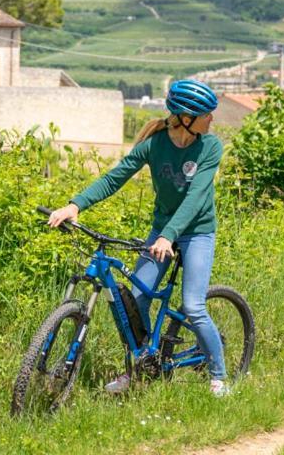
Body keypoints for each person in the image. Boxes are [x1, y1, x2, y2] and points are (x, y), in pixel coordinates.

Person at [46, 78, 230, 396]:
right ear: (187, 118)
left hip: (197, 232)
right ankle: (140, 366)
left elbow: (197, 196)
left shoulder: (210, 146)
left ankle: (218, 376)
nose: (212, 119)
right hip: (162, 231)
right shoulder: (155, 145)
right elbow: (115, 177)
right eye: (207, 114)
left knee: (193, 306)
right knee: (136, 299)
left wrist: (168, 237)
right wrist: (75, 205)